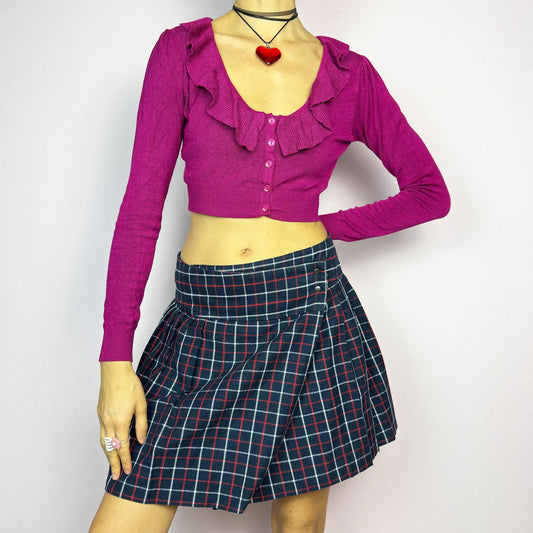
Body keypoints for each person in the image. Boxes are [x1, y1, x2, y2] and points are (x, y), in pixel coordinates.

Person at [89, 1, 451, 532]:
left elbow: (429, 192)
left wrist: (321, 226)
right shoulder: (183, 52)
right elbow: (141, 209)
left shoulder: (349, 75)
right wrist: (114, 362)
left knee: (299, 524)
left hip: (309, 308)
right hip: (204, 319)